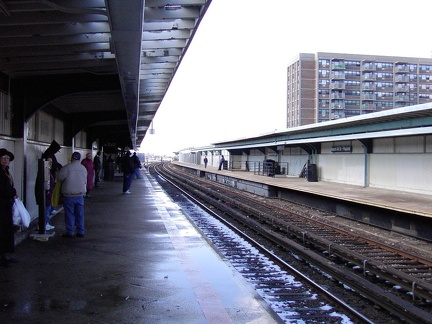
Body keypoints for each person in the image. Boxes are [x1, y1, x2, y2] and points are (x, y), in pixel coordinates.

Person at [57, 152, 87, 238]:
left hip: (68, 195)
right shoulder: (83, 168)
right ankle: (81, 231)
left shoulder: (67, 168)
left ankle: (70, 232)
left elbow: (59, 178)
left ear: (71, 158)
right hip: (80, 195)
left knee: (69, 214)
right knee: (80, 214)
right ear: (79, 159)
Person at [0, 148, 18, 266]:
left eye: (8, 158)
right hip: (1, 206)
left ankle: (5, 255)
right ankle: (2, 257)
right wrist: (13, 191)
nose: (6, 160)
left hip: (6, 205)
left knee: (6, 230)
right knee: (2, 230)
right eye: (4, 157)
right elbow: (3, 189)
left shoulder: (6, 171)